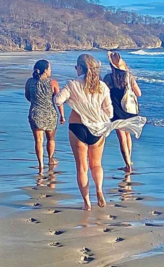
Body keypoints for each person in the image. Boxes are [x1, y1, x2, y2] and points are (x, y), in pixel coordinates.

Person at [55, 54, 146, 211]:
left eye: (76, 67)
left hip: (77, 127)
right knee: (96, 165)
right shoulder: (102, 86)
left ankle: (87, 203)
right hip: (97, 129)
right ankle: (99, 190)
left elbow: (58, 101)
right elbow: (109, 112)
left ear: (80, 68)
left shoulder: (72, 84)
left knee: (82, 167)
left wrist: (75, 103)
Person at [104, 51, 142, 173]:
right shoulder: (129, 77)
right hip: (129, 110)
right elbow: (138, 93)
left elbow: (103, 94)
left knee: (122, 139)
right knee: (128, 136)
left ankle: (127, 165)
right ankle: (129, 161)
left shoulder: (108, 78)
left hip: (116, 111)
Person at [25, 60, 66, 172]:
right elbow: (58, 101)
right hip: (50, 114)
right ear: (45, 70)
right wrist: (62, 115)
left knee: (38, 141)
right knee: (51, 139)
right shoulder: (53, 83)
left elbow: (28, 97)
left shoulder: (30, 82)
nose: (50, 70)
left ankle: (41, 164)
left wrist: (36, 100)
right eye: (49, 68)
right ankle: (50, 159)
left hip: (36, 113)